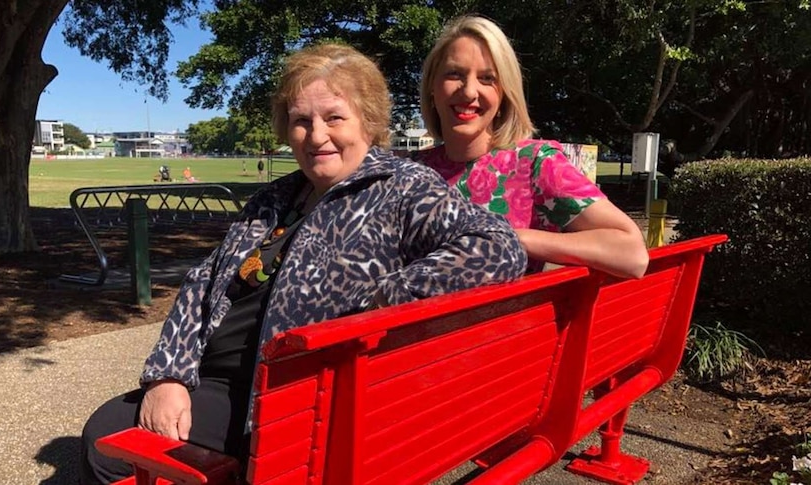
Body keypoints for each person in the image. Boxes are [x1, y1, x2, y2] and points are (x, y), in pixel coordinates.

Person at [80, 42, 527, 484]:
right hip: (216, 378)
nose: (316, 136)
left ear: (368, 121)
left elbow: (498, 246)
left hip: (285, 402)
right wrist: (168, 377)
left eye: (334, 117)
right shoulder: (277, 196)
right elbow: (201, 283)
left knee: (106, 440)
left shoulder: (402, 187)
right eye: (301, 121)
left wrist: (385, 301)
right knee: (112, 434)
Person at [412, 15, 649, 279]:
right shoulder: (408, 171)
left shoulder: (532, 163)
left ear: (504, 93)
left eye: (487, 78)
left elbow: (632, 254)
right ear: (432, 86)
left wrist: (513, 237)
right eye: (454, 74)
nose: (468, 91)